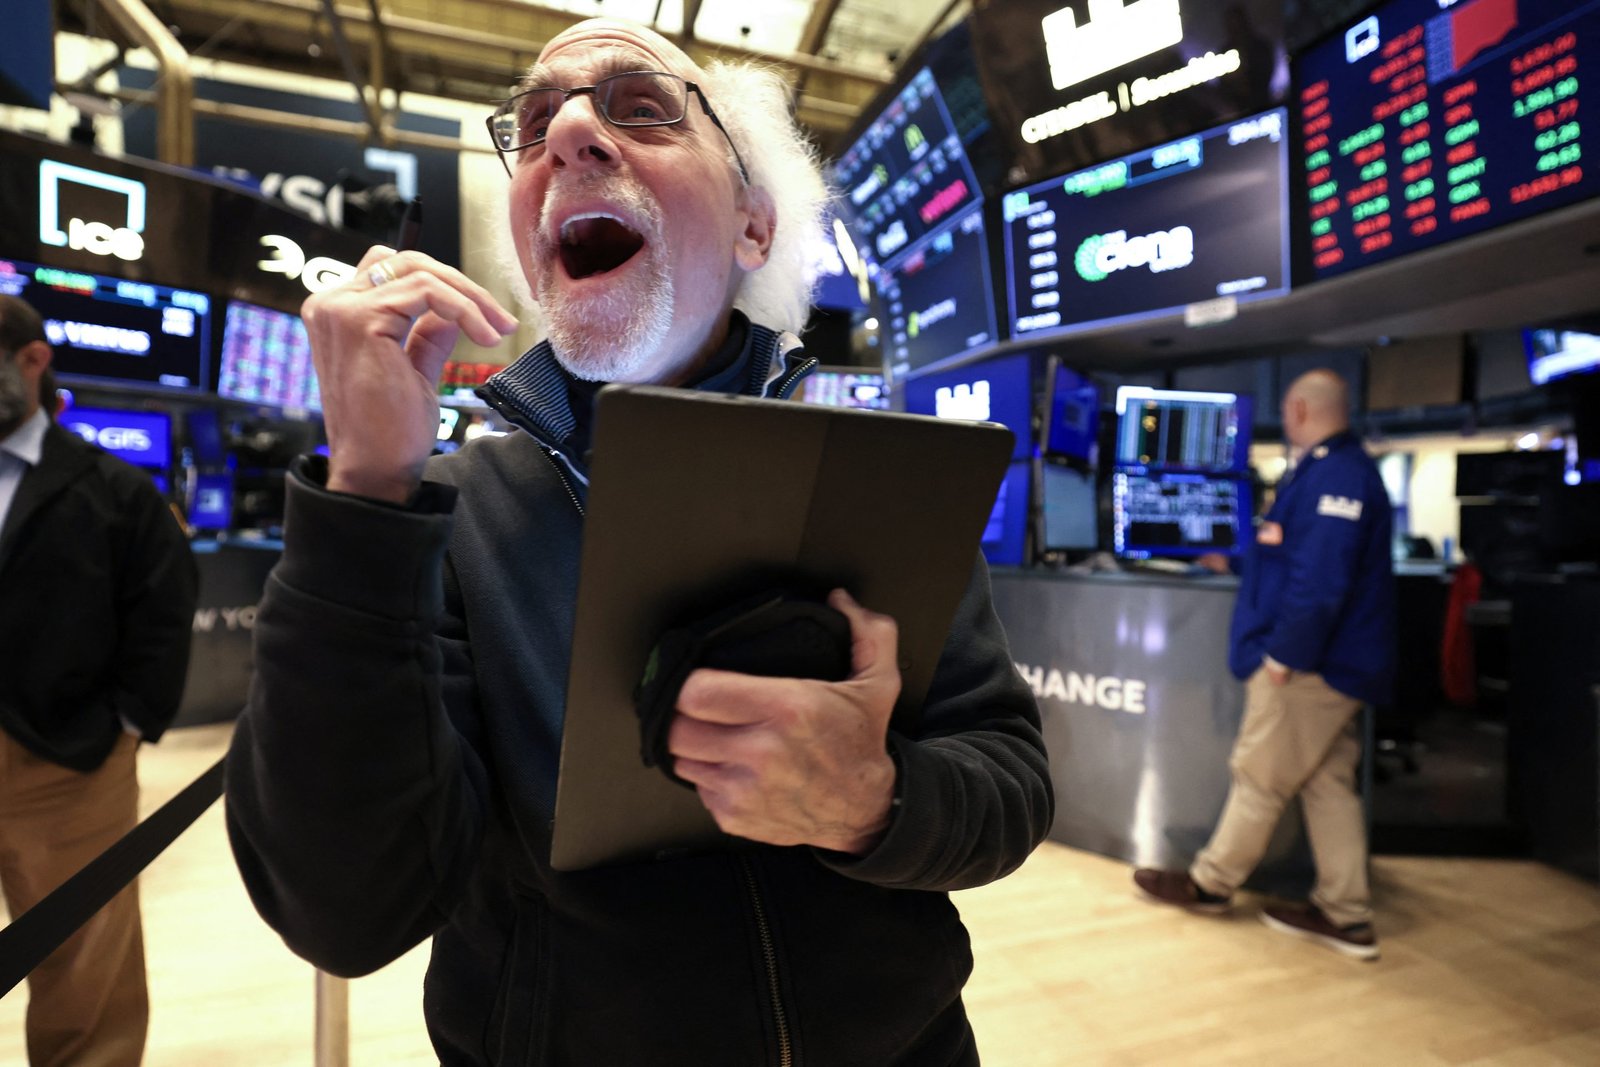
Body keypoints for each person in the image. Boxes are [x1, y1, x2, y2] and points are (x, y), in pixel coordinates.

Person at [224, 19, 1053, 1066]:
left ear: (754, 227)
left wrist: (875, 803)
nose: (566, 130)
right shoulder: (433, 514)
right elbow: (342, 910)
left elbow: (1011, 784)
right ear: (530, 250)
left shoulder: (874, 480)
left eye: (642, 105)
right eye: (534, 122)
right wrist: (363, 494)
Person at [1133, 369, 1395, 961]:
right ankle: (1345, 914)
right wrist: (1238, 567)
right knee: (1327, 784)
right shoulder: (1328, 470)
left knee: (1259, 776)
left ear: (1298, 409)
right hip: (1328, 666)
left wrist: (1284, 657)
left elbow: (1322, 583)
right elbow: (1291, 562)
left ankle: (1211, 884)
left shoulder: (1337, 475)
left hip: (1310, 667)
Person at [0, 293, 199, 1065]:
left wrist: (124, 725)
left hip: (71, 766)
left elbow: (163, 608)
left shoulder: (114, 492)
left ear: (33, 361)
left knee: (86, 971)